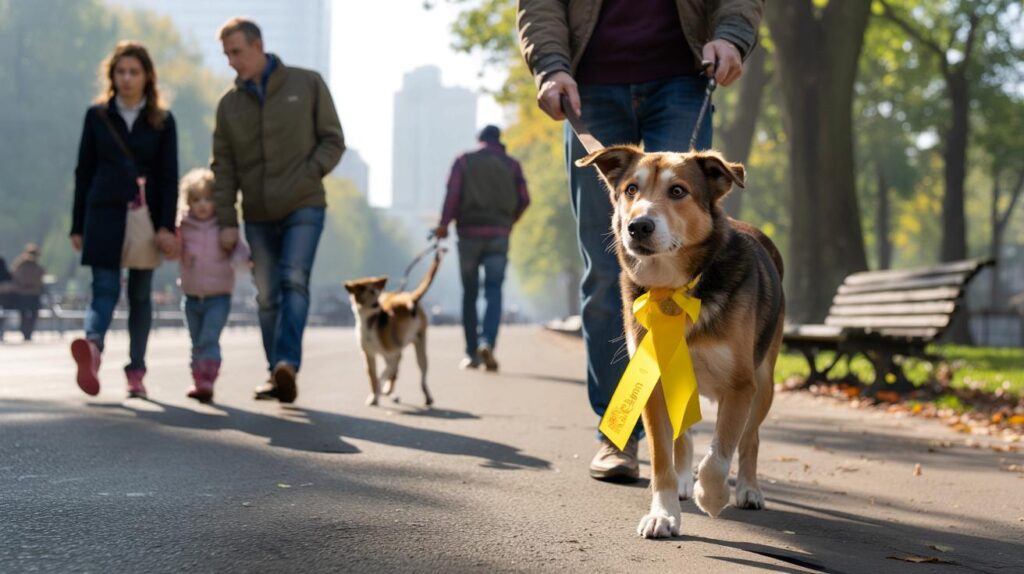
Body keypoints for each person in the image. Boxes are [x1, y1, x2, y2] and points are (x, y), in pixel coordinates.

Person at [517, 0, 764, 482]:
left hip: (683, 74)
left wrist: (732, 34)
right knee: (606, 271)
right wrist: (550, 64)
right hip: (588, 83)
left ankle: (679, 442)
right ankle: (620, 432)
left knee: (685, 263)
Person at [211, 18, 345, 403]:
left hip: (304, 205)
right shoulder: (229, 105)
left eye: (237, 52)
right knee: (267, 295)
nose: (232, 61)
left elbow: (333, 140)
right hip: (257, 212)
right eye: (227, 55)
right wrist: (226, 221)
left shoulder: (307, 84)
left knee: (294, 280)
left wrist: (310, 174)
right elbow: (223, 168)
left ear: (258, 46)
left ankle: (287, 362)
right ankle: (277, 373)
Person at [70, 41, 179, 398]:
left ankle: (136, 370)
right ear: (112, 76)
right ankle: (92, 348)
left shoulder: (163, 121)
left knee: (140, 295)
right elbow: (84, 171)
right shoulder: (97, 116)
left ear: (147, 76)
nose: (127, 78)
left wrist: (166, 226)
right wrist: (77, 224)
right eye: (121, 71)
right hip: (102, 213)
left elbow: (169, 176)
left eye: (134, 71)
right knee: (103, 288)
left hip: (145, 217)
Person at [435, 125, 530, 372]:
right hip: (499, 235)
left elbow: (452, 195)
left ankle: (472, 353)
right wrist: (509, 222)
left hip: (468, 236)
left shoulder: (464, 161)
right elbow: (524, 199)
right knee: (494, 291)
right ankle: (487, 342)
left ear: (479, 140)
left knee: (470, 294)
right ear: (499, 140)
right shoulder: (512, 165)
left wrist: (444, 225)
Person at [177, 168, 251, 403]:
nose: (202, 205)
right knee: (196, 341)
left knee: (209, 338)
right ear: (189, 201)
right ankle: (198, 380)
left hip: (218, 296)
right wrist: (174, 246)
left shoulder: (223, 226)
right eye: (196, 199)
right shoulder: (182, 225)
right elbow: (174, 249)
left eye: (207, 199)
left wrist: (245, 259)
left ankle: (208, 378)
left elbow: (239, 250)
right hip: (190, 295)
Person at [10, 243, 46, 341]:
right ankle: (26, 332)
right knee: (26, 315)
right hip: (26, 294)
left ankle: (27, 332)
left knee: (29, 315)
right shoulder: (21, 265)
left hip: (30, 294)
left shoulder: (33, 266)